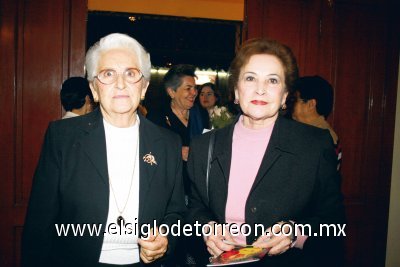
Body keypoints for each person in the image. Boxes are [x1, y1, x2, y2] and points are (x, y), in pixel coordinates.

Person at [22, 33, 186, 267]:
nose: (120, 83)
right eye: (108, 74)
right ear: (94, 89)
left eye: (130, 74)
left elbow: (177, 212)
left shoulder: (168, 143)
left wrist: (166, 239)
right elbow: (39, 223)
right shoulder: (63, 137)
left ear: (144, 87)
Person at [186, 38, 345, 267]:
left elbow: (334, 223)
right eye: (250, 78)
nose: (260, 89)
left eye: (272, 80)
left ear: (284, 96)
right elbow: (194, 208)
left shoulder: (314, 145)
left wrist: (295, 233)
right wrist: (206, 227)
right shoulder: (203, 146)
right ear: (236, 92)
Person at [291, 75, 342, 170]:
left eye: (296, 100)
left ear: (311, 104)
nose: (291, 104)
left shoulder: (321, 137)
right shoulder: (315, 131)